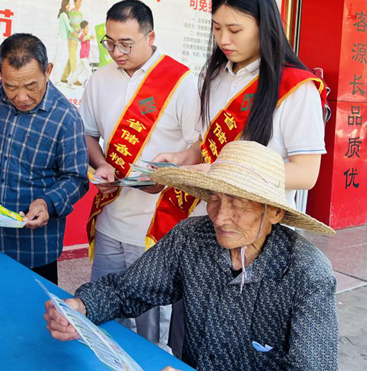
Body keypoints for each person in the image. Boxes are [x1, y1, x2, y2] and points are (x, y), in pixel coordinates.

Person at [151, 0, 329, 357]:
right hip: (208, 226)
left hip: (260, 238)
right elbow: (206, 145)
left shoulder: (296, 88)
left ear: (264, 26)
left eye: (235, 29)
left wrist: (223, 176)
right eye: (216, 28)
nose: (223, 39)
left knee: (246, 345)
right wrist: (182, 159)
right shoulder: (213, 76)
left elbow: (306, 172)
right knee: (189, 337)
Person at [44, 141, 338, 371]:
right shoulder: (192, 237)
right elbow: (127, 289)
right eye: (214, 199)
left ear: (273, 212)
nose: (220, 217)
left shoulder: (307, 272)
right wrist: (82, 306)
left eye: (238, 204)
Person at [81, 0, 198, 349]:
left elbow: (199, 146)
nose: (116, 52)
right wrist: (101, 164)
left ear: (151, 37)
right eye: (110, 43)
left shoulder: (181, 82)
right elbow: (88, 134)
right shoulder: (99, 80)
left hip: (157, 223)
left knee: (152, 324)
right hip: (111, 215)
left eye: (126, 44)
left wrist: (168, 175)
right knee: (103, 307)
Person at [0, 33, 89, 284]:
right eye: (10, 86)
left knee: (33, 307)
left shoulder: (66, 117)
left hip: (34, 249)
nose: (21, 97)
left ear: (48, 71)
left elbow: (76, 179)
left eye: (30, 86)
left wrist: (47, 203)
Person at [59, 0, 83, 83]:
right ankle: (74, 79)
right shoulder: (71, 12)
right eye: (78, 2)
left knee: (71, 58)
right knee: (74, 59)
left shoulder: (80, 14)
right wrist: (74, 29)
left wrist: (79, 29)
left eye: (81, 2)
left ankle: (63, 77)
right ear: (74, 2)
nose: (80, 4)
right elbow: (68, 25)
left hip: (77, 38)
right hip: (71, 38)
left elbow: (79, 26)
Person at [53, 0, 74, 87]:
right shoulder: (64, 15)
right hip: (61, 39)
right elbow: (68, 27)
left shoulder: (64, 14)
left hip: (61, 38)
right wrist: (76, 33)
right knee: (58, 60)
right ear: (65, 5)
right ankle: (56, 80)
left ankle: (54, 79)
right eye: (68, 4)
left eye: (70, 4)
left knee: (56, 59)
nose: (69, 6)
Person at [68, 20, 94, 86]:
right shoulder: (82, 36)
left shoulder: (86, 36)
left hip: (84, 57)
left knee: (78, 71)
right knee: (88, 71)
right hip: (83, 56)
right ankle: (92, 84)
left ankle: (70, 82)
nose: (88, 29)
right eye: (87, 28)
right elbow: (85, 38)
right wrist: (90, 36)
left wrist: (92, 37)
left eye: (88, 28)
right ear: (83, 29)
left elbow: (89, 38)